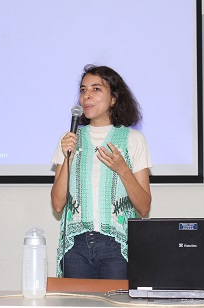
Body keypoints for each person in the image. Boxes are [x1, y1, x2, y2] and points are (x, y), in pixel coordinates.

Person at [50, 64, 152, 279]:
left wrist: (122, 169)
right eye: (83, 89)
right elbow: (58, 204)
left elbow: (143, 207)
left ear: (114, 98)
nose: (87, 96)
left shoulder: (133, 139)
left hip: (116, 246)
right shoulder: (69, 139)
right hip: (75, 246)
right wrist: (68, 156)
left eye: (96, 89)